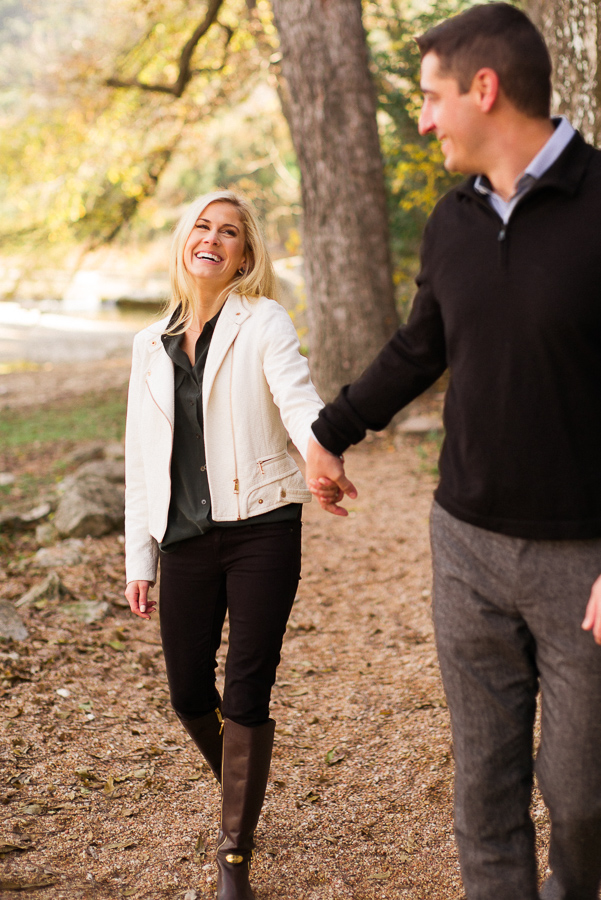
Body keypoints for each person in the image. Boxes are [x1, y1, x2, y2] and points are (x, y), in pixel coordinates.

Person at [306, 4, 601, 898]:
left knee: (583, 798)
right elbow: (420, 347)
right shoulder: (451, 220)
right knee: (483, 788)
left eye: (431, 98)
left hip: (583, 561)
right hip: (465, 544)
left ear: (485, 88)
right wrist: (332, 430)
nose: (423, 119)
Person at [123, 190, 330, 900]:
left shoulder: (263, 320)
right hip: (182, 540)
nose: (213, 238)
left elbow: (297, 398)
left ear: (245, 254)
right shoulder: (147, 344)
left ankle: (234, 853)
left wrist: (319, 451)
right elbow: (140, 458)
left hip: (262, 528)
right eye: (202, 227)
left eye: (230, 232)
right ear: (185, 241)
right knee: (187, 693)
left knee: (246, 689)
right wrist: (138, 558)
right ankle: (242, 780)